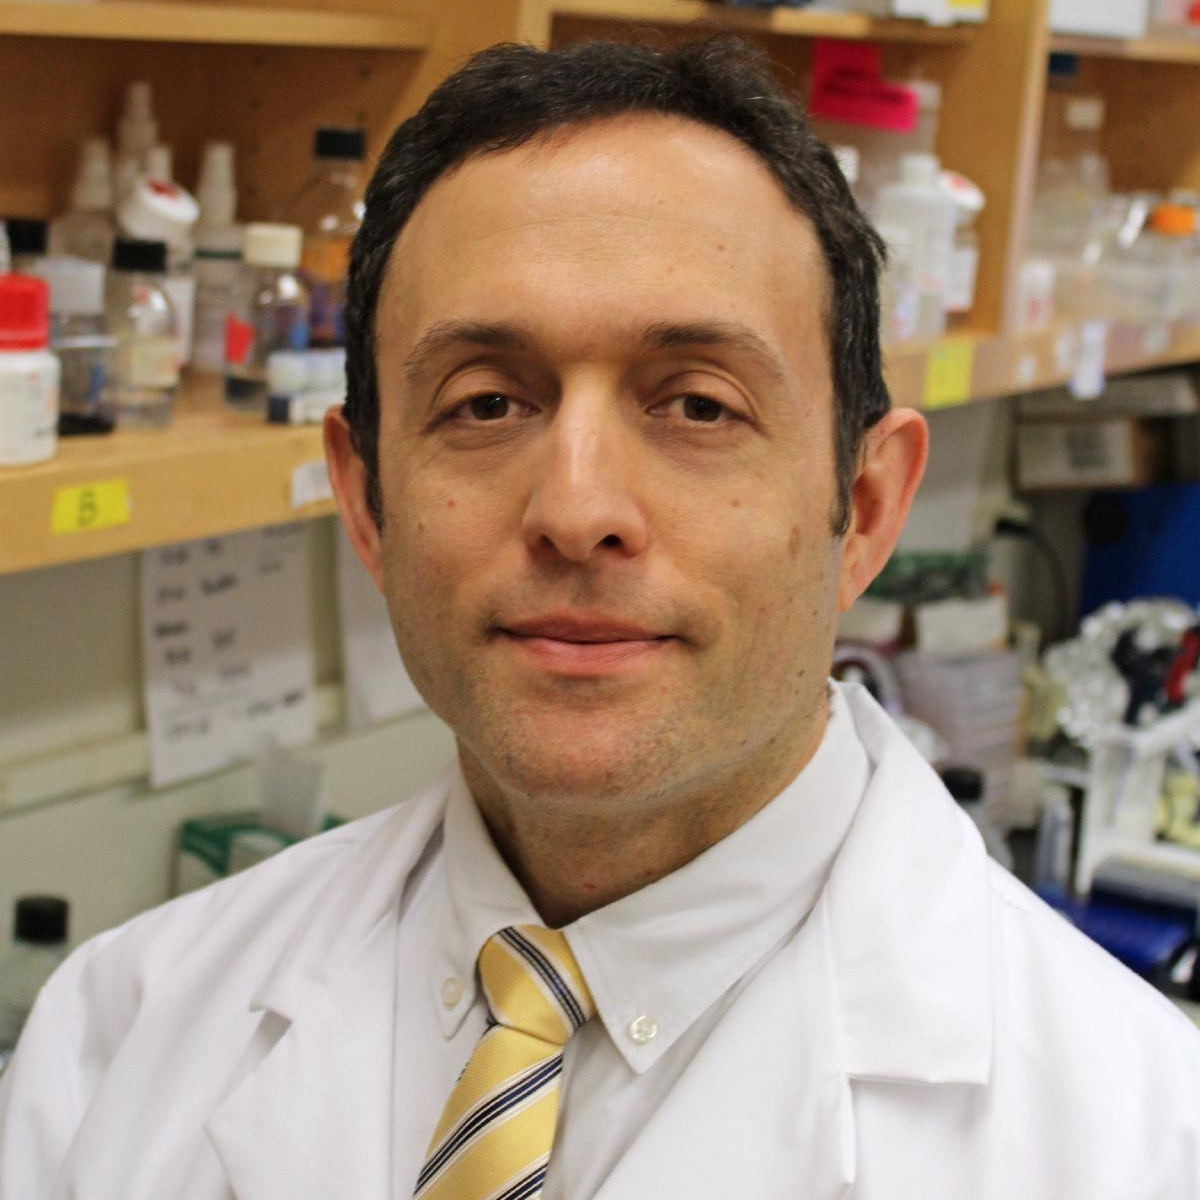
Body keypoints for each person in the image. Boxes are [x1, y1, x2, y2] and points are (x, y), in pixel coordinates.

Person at [2, 36, 1199, 1200]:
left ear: (864, 509)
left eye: (695, 404)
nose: (577, 510)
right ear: (366, 503)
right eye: (485, 403)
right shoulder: (122, 1037)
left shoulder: (1138, 1142)